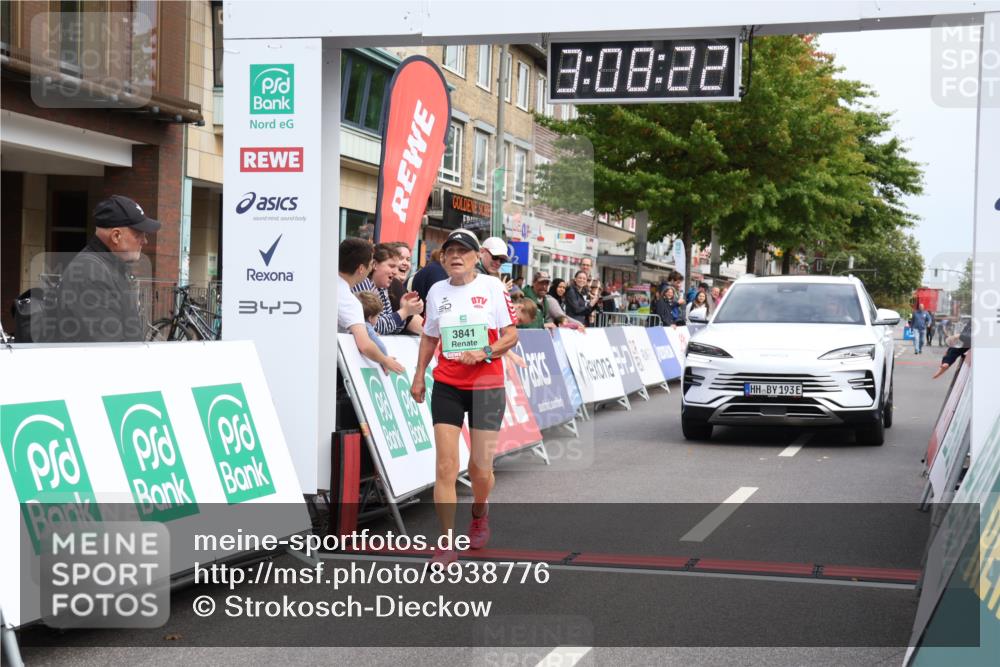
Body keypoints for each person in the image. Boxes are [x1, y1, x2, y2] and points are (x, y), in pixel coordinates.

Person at [410, 229, 519, 567]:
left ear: (476, 257)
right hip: (447, 384)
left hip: (486, 385)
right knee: (445, 466)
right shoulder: (437, 291)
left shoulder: (491, 288)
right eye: (450, 251)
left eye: (463, 251)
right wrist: (418, 376)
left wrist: (485, 351)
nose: (456, 256)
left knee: (480, 469)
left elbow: (511, 335)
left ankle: (479, 508)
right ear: (442, 258)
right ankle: (445, 544)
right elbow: (429, 337)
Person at [52, 195, 159, 343]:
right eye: (139, 234)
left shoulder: (108, 267)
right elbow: (107, 349)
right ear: (116, 236)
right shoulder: (89, 274)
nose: (145, 241)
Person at [337, 238, 405, 374]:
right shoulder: (349, 301)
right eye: (370, 264)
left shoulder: (320, 284)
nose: (371, 269)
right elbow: (365, 344)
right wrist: (385, 360)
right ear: (361, 268)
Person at [353, 243, 423, 335]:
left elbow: (393, 330)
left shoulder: (383, 289)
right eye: (391, 266)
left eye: (396, 267)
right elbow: (376, 326)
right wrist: (405, 311)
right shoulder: (362, 282)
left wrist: (403, 309)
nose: (395, 272)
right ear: (375, 265)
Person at [356, 291, 388, 356]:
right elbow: (381, 347)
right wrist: (386, 359)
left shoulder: (355, 324)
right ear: (370, 318)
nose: (378, 318)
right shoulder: (367, 327)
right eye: (377, 316)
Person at [385, 241, 413, 311]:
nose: (405, 263)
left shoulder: (402, 288)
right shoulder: (392, 286)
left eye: (408, 259)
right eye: (400, 258)